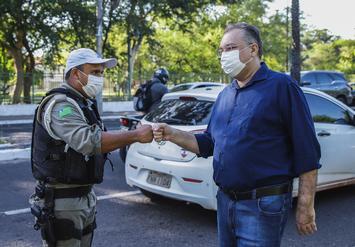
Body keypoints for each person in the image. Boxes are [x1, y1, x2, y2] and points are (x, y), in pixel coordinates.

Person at [153, 23, 321, 247]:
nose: (224, 55)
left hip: (262, 204)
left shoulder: (282, 87)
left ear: (253, 49)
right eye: (221, 50)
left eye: (230, 48)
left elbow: (307, 151)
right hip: (225, 201)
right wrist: (172, 133)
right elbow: (208, 144)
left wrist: (305, 205)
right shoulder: (225, 94)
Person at [30, 48, 153, 247]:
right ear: (76, 74)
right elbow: (87, 141)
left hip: (83, 196)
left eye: (101, 73)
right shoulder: (62, 105)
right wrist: (136, 135)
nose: (100, 78)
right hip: (63, 201)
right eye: (95, 72)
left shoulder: (82, 103)